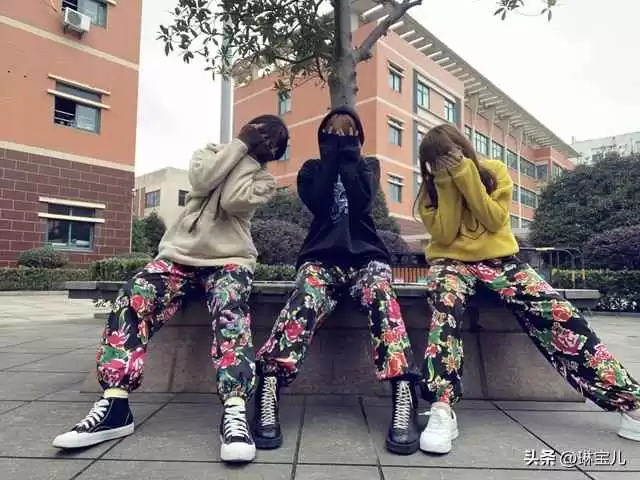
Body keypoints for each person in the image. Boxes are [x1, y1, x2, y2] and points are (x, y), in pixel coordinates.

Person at [51, 115, 289, 463]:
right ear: (246, 130)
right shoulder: (209, 152)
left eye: (273, 142)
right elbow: (204, 180)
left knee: (230, 307)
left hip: (231, 259)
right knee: (134, 294)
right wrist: (239, 145)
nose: (265, 141)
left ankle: (235, 409)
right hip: (179, 255)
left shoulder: (264, 180)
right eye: (262, 133)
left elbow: (231, 201)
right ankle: (115, 406)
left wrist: (249, 158)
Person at [415, 123, 640, 455]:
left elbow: (494, 219)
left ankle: (630, 404)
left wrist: (465, 174)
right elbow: (445, 235)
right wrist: (447, 184)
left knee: (560, 313)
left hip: (501, 262)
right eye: (436, 160)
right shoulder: (430, 192)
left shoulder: (493, 172)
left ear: (462, 148)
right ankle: (441, 407)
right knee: (444, 305)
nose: (444, 164)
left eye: (448, 155)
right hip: (450, 263)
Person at [252, 107, 421, 456]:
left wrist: (349, 154)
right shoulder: (310, 170)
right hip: (321, 258)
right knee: (305, 297)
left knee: (381, 295)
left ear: (359, 139)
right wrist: (332, 154)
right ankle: (269, 384)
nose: (340, 137)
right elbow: (318, 201)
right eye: (332, 132)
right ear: (322, 138)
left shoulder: (368, 165)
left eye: (348, 132)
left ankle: (403, 389)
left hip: (366, 258)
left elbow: (361, 204)